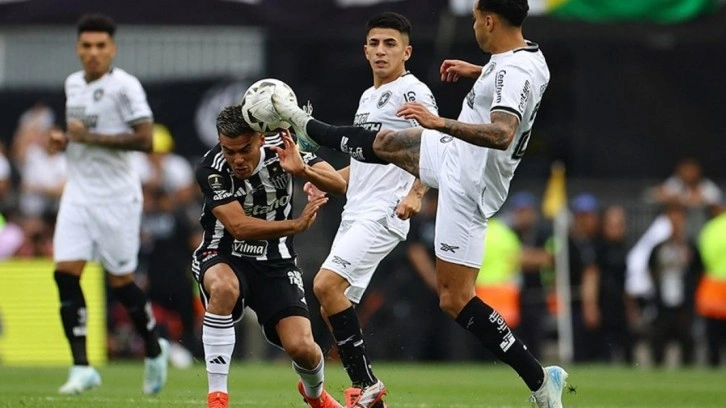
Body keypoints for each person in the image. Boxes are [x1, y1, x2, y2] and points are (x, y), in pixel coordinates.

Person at [272, 1, 567, 406]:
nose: (474, 27)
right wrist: (480, 74)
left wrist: (437, 125)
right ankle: (541, 380)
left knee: (383, 146)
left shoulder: (508, 72)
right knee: (451, 298)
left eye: (476, 19)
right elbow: (514, 80)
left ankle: (303, 124)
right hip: (461, 170)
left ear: (489, 20)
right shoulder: (528, 58)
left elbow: (502, 133)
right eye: (373, 43)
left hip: (464, 176)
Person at [303, 12, 436, 408]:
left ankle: (366, 383)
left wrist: (417, 193)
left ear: (406, 52)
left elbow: (435, 146)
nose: (381, 51)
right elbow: (358, 171)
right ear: (365, 50)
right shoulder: (367, 97)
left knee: (325, 285)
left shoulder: (411, 92)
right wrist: (317, 175)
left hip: (384, 211)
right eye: (375, 43)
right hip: (357, 210)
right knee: (332, 305)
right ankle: (371, 397)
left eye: (390, 44)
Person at [192, 105, 347, 408]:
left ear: (261, 138)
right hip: (223, 253)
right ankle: (217, 398)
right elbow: (238, 227)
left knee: (303, 348)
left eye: (244, 150)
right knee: (224, 288)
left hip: (276, 262)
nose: (237, 159)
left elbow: (339, 185)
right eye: (229, 151)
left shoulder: (285, 147)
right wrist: (296, 225)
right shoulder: (211, 168)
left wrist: (303, 170)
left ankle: (316, 396)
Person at [48, 14, 169, 395]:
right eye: (87, 46)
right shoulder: (72, 84)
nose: (93, 53)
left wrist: (92, 138)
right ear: (78, 49)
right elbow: (80, 133)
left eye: (101, 46)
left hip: (117, 198)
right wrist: (64, 140)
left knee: (120, 281)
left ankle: (154, 348)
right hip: (78, 193)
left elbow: (145, 139)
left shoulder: (125, 87)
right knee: (65, 273)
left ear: (112, 49)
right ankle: (81, 367)